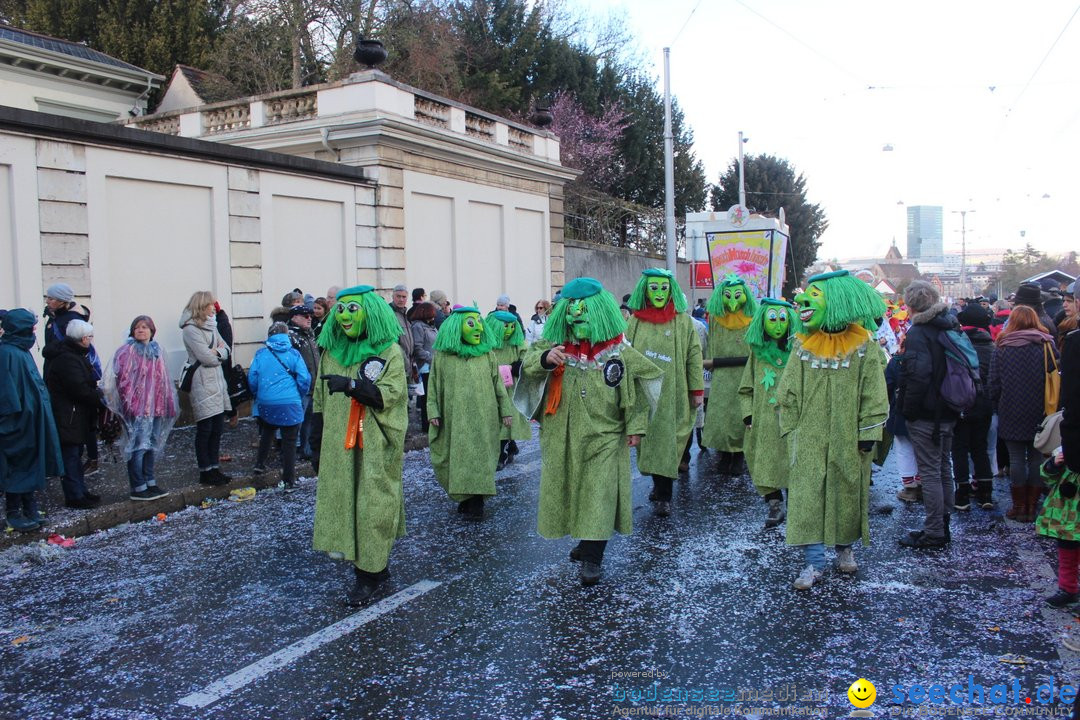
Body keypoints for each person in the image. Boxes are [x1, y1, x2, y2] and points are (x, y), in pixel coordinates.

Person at [516, 277, 662, 585]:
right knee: (574, 490)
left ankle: (593, 557)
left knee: (599, 492)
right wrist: (544, 358)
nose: (576, 316)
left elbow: (640, 381)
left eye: (583, 309)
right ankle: (585, 543)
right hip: (562, 435)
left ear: (599, 310)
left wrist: (635, 426)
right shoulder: (554, 343)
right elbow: (528, 362)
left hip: (606, 434)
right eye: (571, 309)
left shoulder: (617, 350)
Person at [778, 270, 888, 589]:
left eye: (813, 296)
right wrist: (792, 430)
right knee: (807, 494)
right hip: (809, 435)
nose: (801, 299)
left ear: (836, 301)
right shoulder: (802, 346)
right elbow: (789, 391)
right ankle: (813, 562)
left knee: (846, 491)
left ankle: (844, 549)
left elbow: (874, 392)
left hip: (849, 437)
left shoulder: (864, 347)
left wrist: (869, 432)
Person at [310, 285, 408, 606]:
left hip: (376, 444)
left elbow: (390, 395)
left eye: (353, 309)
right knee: (345, 504)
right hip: (339, 447)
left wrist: (353, 386)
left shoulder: (388, 351)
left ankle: (368, 574)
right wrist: (315, 440)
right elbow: (320, 402)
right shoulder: (331, 352)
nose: (345, 316)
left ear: (371, 312)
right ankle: (372, 567)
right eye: (341, 309)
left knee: (373, 505)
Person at [624, 268, 704, 517]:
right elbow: (624, 353)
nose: (659, 292)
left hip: (673, 394)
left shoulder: (682, 320)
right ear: (645, 290)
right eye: (654, 287)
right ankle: (659, 486)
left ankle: (664, 495)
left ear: (671, 290)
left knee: (668, 444)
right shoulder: (635, 321)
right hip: (643, 397)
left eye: (664, 287)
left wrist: (696, 388)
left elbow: (693, 354)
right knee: (647, 443)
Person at [427, 307, 513, 520]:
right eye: (471, 323)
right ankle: (465, 496)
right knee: (457, 458)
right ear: (457, 328)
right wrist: (432, 410)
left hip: (484, 418)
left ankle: (477, 502)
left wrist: (505, 411)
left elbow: (498, 386)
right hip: (453, 419)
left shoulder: (487, 355)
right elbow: (434, 385)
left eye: (479, 322)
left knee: (480, 458)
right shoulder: (443, 358)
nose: (478, 328)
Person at [897, 281, 964, 550]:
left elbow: (918, 375)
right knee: (943, 467)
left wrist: (907, 411)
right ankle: (942, 523)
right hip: (949, 407)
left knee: (930, 472)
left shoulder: (919, 332)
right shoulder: (949, 324)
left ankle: (935, 530)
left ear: (911, 305)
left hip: (927, 413)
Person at [988, 304, 1058, 522]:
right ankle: (1032, 505)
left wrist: (998, 404)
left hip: (1011, 408)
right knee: (1036, 457)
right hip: (1041, 409)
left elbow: (994, 383)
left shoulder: (1002, 346)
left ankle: (1018, 506)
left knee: (1016, 458)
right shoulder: (1046, 344)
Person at [738, 299, 801, 528]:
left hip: (792, 420)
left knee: (794, 461)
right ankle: (775, 503)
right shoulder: (757, 353)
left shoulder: (799, 351)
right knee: (765, 462)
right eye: (772, 319)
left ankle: (797, 504)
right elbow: (746, 388)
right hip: (764, 421)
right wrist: (748, 415)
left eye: (782, 319)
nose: (777, 324)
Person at [103, 316, 178, 501]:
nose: (141, 330)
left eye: (145, 327)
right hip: (139, 409)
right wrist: (133, 405)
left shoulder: (156, 350)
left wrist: (168, 403)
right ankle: (138, 486)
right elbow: (124, 381)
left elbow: (164, 379)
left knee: (152, 444)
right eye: (137, 327)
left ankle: (150, 481)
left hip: (157, 407)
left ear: (152, 330)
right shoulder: (127, 352)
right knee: (138, 446)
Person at [1, 309, 63, 531]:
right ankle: (13, 511)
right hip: (18, 423)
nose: (35, 331)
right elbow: (6, 393)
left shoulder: (20, 350)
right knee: (18, 466)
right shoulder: (8, 353)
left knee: (31, 464)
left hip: (31, 420)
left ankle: (29, 506)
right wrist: (11, 421)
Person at [44, 319, 104, 509]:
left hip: (74, 414)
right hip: (69, 414)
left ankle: (80, 491)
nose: (91, 341)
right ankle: (74, 495)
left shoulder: (71, 354)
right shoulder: (68, 358)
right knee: (70, 456)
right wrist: (100, 396)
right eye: (90, 337)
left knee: (75, 454)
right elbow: (79, 389)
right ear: (83, 338)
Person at [702, 274, 758, 475]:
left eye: (737, 294)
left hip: (744, 373)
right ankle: (725, 454)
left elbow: (756, 346)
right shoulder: (716, 319)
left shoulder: (752, 319)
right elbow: (712, 341)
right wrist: (710, 362)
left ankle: (740, 455)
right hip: (723, 375)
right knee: (722, 415)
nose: (733, 299)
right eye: (728, 295)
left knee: (740, 414)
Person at [249, 323, 311, 491]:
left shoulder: (261, 354)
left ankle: (260, 464)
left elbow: (252, 378)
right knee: (289, 442)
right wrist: (299, 393)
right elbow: (304, 378)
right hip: (290, 402)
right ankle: (288, 481)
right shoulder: (294, 354)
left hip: (267, 402)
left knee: (267, 432)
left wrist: (258, 394)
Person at [180, 291, 232, 487]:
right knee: (205, 429)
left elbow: (226, 349)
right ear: (202, 306)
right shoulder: (190, 329)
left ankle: (214, 468)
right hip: (202, 382)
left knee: (217, 428)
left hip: (216, 382)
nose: (214, 308)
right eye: (211, 305)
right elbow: (206, 358)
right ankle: (205, 471)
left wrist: (217, 351)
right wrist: (217, 353)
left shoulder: (212, 325)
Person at [952, 304, 995, 510]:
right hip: (984, 402)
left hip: (961, 400)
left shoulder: (958, 344)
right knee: (980, 446)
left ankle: (962, 494)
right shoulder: (991, 346)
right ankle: (985, 492)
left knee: (959, 447)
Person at [486, 310, 531, 469]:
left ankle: (501, 454)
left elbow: (527, 361)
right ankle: (511, 447)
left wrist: (513, 368)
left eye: (512, 326)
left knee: (506, 418)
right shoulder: (487, 344)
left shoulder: (518, 343)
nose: (509, 330)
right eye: (505, 326)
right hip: (491, 386)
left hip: (511, 387)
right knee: (496, 418)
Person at [1036, 448, 1080, 608]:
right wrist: (1053, 464)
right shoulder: (1068, 446)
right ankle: (1067, 589)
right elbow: (1047, 477)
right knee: (1066, 553)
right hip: (1065, 514)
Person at [887, 338, 921, 503]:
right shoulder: (928, 359)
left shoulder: (896, 362)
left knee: (904, 449)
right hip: (923, 413)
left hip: (900, 411)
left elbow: (888, 385)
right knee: (922, 450)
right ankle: (922, 484)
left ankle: (910, 487)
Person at [287, 305, 320, 460]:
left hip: (313, 384)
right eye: (305, 316)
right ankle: (291, 451)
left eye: (310, 316)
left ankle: (306, 450)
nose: (309, 319)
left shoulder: (309, 334)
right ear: (295, 317)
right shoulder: (291, 336)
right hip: (299, 387)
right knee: (297, 422)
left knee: (309, 420)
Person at [410, 302, 438, 426]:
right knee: (426, 397)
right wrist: (431, 358)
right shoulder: (418, 327)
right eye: (431, 315)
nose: (433, 317)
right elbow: (418, 348)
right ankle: (426, 425)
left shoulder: (430, 326)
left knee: (431, 396)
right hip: (425, 367)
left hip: (432, 366)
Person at [390, 284, 416, 381]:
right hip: (398, 363)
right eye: (398, 296)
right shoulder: (390, 314)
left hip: (408, 363)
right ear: (393, 297)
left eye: (404, 297)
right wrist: (406, 362)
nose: (401, 299)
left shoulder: (405, 314)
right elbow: (393, 343)